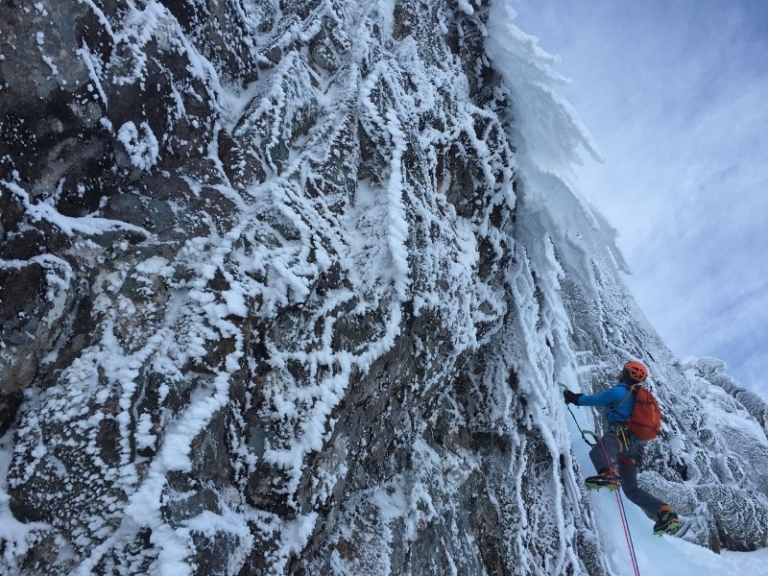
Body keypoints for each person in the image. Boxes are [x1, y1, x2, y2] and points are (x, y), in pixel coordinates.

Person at [563, 361, 680, 535]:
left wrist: (573, 398)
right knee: (631, 490)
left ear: (625, 374)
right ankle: (665, 511)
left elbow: (595, 400)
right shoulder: (638, 396)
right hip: (635, 447)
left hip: (621, 437)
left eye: (622, 371)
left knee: (599, 451)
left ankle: (608, 474)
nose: (619, 373)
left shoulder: (618, 391)